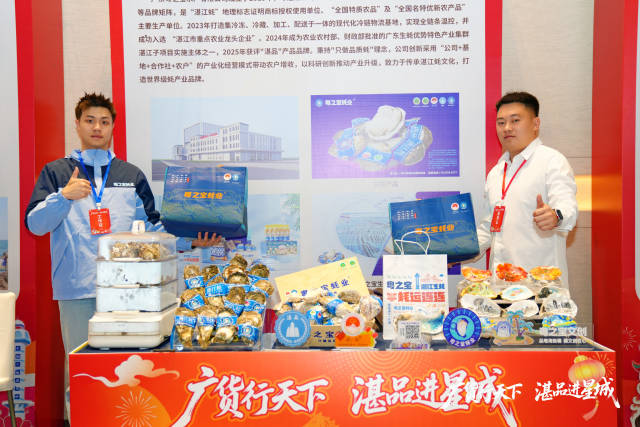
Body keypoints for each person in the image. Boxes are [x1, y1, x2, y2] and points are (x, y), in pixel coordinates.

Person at [23, 93, 220, 413]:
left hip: (129, 291)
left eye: (104, 122)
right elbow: (35, 224)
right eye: (90, 121)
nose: (97, 128)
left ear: (112, 127)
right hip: (77, 289)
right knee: (82, 372)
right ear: (77, 124)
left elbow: (154, 231)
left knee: (129, 369)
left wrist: (192, 241)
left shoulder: (131, 175)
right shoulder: (57, 172)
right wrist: (63, 196)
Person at [475, 92, 578, 286]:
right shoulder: (496, 172)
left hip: (540, 290)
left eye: (515, 120)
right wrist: (455, 252)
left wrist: (555, 216)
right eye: (501, 122)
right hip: (500, 288)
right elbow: (489, 228)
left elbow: (567, 207)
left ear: (535, 124)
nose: (507, 128)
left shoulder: (551, 161)